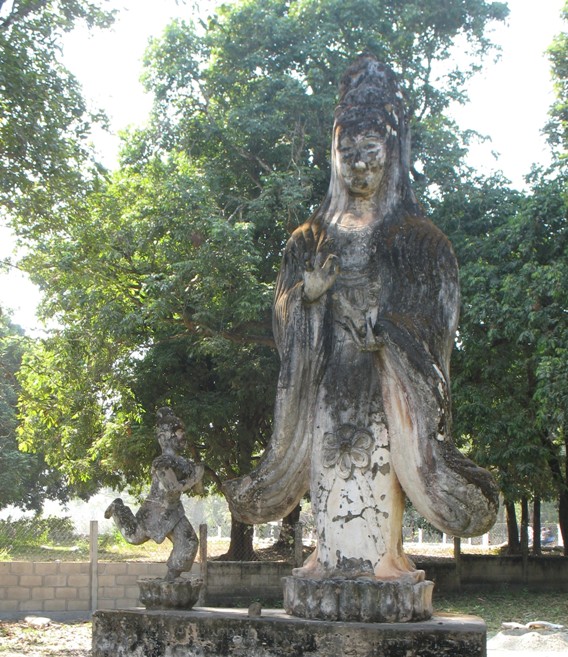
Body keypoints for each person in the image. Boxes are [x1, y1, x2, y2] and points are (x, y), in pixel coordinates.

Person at [224, 56, 498, 581]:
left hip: (386, 388)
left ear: (391, 156)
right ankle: (327, 558)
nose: (358, 166)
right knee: (332, 464)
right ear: (333, 156)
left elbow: (436, 315)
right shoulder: (308, 240)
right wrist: (308, 297)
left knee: (376, 472)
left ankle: (385, 561)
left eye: (370, 153)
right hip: (326, 382)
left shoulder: (418, 240)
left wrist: (389, 334)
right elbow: (284, 320)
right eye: (347, 154)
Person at [105, 408, 204, 581]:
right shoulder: (161, 463)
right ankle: (118, 508)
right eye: (179, 432)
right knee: (134, 537)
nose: (183, 436)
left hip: (174, 510)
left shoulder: (185, 463)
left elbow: (198, 490)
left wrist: (197, 476)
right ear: (164, 438)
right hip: (155, 510)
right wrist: (195, 477)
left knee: (189, 543)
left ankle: (170, 580)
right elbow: (172, 488)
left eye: (183, 432)